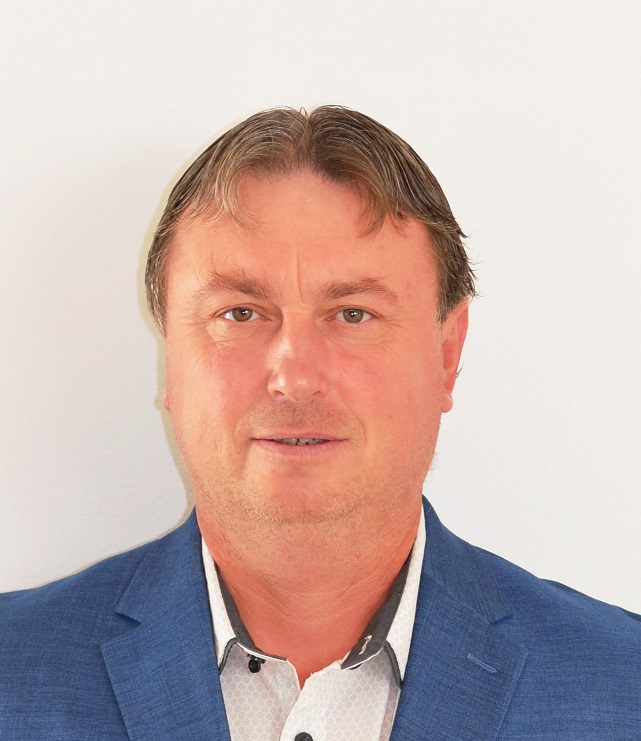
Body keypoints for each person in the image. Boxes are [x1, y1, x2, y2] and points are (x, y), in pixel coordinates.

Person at [1, 106, 639, 741]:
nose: (295, 376)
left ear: (447, 355)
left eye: (353, 314)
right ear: (171, 357)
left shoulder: (622, 687)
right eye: (240, 313)